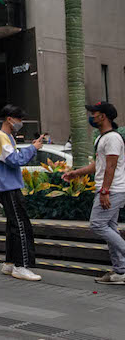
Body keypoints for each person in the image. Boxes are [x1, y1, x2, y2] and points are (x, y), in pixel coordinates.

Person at [63, 101, 125, 285]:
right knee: (110, 228)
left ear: (103, 116)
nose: (91, 116)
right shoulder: (101, 138)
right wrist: (76, 173)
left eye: (93, 113)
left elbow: (111, 167)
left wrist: (104, 191)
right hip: (109, 189)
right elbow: (99, 165)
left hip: (112, 189)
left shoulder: (112, 138)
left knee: (97, 224)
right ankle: (121, 272)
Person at [0, 104, 46, 281]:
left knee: (13, 225)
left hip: (7, 187)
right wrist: (33, 148)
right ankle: (21, 266)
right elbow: (13, 160)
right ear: (10, 119)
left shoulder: (6, 137)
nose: (20, 122)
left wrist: (31, 148)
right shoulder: (2, 137)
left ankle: (10, 263)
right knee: (21, 226)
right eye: (19, 119)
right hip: (9, 188)